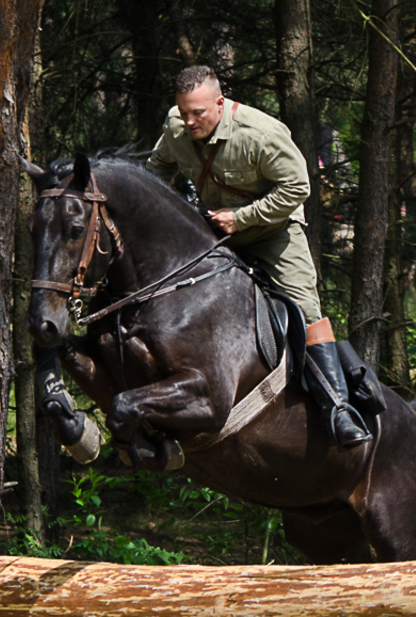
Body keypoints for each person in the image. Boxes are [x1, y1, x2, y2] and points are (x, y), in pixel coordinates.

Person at [145, 65, 371, 449]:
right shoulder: (176, 126)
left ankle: (339, 408)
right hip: (214, 230)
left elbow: (297, 186)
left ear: (220, 103)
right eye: (183, 111)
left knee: (304, 307)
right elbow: (158, 169)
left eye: (197, 113)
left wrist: (242, 218)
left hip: (272, 232)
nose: (189, 120)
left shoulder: (261, 134)